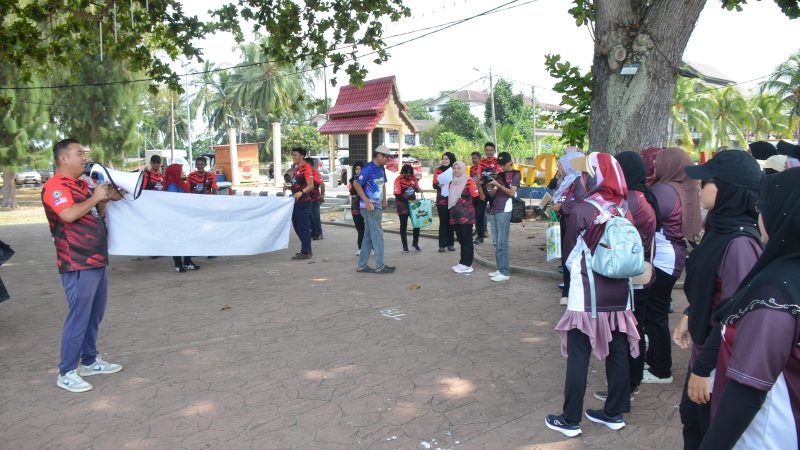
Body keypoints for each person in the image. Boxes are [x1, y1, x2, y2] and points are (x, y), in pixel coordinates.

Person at [697, 168, 800, 449]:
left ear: (784, 214)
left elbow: (747, 390)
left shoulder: (774, 294)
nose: (759, 217)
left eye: (763, 208)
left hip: (766, 432)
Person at [673, 150, 763, 449]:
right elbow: (713, 286)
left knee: (706, 429)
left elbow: (735, 313)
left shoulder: (740, 244)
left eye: (706, 182)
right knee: (692, 420)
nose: (698, 187)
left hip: (718, 360)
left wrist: (704, 369)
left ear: (728, 189)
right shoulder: (719, 228)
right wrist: (691, 312)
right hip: (705, 349)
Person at [546, 152, 639, 438]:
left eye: (587, 173)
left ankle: (570, 419)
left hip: (587, 294)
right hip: (620, 294)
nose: (583, 178)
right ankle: (614, 414)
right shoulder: (624, 210)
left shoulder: (583, 209)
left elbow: (569, 254)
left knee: (579, 355)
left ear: (595, 177)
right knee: (619, 351)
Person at [41, 139, 125, 393]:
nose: (84, 158)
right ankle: (66, 372)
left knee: (94, 314)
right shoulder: (55, 186)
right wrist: (95, 197)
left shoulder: (82, 184)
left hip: (96, 258)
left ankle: (89, 361)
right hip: (77, 261)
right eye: (79, 153)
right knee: (79, 316)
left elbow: (95, 213)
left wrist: (102, 200)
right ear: (63, 158)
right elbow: (67, 214)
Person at [593, 151, 658, 403]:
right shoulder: (643, 196)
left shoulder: (630, 200)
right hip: (641, 271)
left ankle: (625, 387)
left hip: (629, 274)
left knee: (626, 334)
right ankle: (632, 382)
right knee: (635, 330)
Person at [642, 147, 702, 385]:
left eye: (659, 162)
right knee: (655, 313)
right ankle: (655, 360)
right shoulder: (683, 186)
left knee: (654, 315)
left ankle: (661, 369)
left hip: (663, 259)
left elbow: (648, 219)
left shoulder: (665, 189)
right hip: (673, 257)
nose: (655, 166)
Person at [553, 150, 588, 304]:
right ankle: (568, 290)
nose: (559, 168)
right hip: (566, 221)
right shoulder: (568, 180)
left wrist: (561, 206)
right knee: (566, 255)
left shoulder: (579, 180)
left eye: (561, 165)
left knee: (570, 256)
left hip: (572, 224)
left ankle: (569, 293)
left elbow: (580, 201)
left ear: (569, 165)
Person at [354, 146, 395, 274]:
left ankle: (362, 265)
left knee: (368, 236)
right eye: (386, 157)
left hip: (376, 206)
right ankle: (380, 266)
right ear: (379, 155)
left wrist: (384, 200)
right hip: (369, 207)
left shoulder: (381, 168)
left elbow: (383, 184)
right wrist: (367, 201)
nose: (387, 160)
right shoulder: (368, 168)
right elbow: (357, 184)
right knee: (377, 235)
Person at [485, 152, 520, 282]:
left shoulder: (516, 174)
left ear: (510, 162)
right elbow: (493, 194)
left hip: (505, 209)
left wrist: (499, 185)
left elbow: (511, 193)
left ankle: (505, 272)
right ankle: (500, 269)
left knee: (502, 242)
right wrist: (489, 186)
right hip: (494, 209)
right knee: (495, 242)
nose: (502, 167)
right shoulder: (499, 175)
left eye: (504, 164)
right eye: (500, 164)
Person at [164, 164, 199, 272]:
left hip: (185, 216)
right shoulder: (172, 186)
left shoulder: (180, 183)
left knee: (188, 239)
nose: (182, 172)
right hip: (176, 218)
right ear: (175, 172)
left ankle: (187, 262)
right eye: (181, 170)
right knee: (177, 240)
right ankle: (178, 264)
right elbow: (174, 202)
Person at [448, 161, 480, 273]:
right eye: (455, 168)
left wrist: (467, 209)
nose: (456, 170)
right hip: (454, 216)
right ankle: (462, 262)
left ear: (463, 169)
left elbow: (476, 198)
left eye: (459, 168)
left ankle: (467, 264)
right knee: (461, 240)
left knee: (467, 240)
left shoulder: (469, 181)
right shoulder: (452, 182)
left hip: (466, 217)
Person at [289, 148, 314, 260]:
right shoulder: (296, 169)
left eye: (295, 155)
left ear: (302, 156)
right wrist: (288, 187)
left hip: (304, 202)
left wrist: (302, 192)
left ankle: (305, 251)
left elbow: (311, 185)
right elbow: (297, 185)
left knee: (303, 227)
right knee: (296, 225)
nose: (293, 157)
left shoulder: (306, 168)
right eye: (292, 155)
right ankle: (307, 249)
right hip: (296, 202)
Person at [476, 143, 500, 244]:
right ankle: (480, 236)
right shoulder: (481, 163)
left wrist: (492, 188)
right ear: (485, 151)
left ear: (494, 151)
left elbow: (497, 176)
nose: (489, 152)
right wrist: (481, 193)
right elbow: (478, 179)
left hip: (494, 191)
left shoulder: (498, 162)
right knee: (479, 215)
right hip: (483, 191)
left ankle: (497, 237)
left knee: (496, 215)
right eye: (487, 150)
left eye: (491, 150)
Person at [394, 164, 421, 252]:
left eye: (410, 173)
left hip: (413, 206)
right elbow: (397, 196)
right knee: (403, 226)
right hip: (402, 206)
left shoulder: (414, 178)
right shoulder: (398, 180)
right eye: (407, 173)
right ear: (403, 172)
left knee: (417, 224)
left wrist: (419, 189)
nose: (409, 175)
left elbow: (416, 188)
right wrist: (408, 201)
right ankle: (405, 246)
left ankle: (415, 244)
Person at [433, 152, 456, 252]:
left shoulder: (455, 169)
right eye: (443, 158)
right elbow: (434, 184)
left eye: (447, 159)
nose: (444, 160)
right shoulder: (438, 170)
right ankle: (442, 245)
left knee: (451, 222)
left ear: (451, 160)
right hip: (442, 200)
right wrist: (438, 185)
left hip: (452, 199)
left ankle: (451, 244)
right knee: (443, 222)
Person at [469, 151, 488, 244]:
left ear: (480, 159)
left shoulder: (484, 168)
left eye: (475, 158)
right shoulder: (472, 169)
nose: (473, 160)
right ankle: (480, 233)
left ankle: (481, 235)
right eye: (472, 158)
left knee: (480, 214)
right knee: (477, 214)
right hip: (474, 194)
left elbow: (486, 180)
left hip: (483, 193)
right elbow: (471, 181)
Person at [305, 156, 325, 240]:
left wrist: (322, 195)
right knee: (309, 217)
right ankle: (313, 233)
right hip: (307, 199)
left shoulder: (315, 173)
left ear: (310, 164)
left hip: (315, 199)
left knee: (315, 216)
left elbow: (322, 185)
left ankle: (319, 233)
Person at [349, 162, 366, 256]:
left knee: (367, 229)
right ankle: (360, 248)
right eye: (356, 169)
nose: (358, 171)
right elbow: (352, 192)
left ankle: (371, 247)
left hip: (365, 207)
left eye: (360, 169)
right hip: (356, 208)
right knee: (360, 229)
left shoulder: (367, 180)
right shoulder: (352, 181)